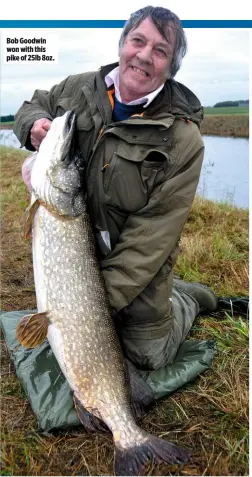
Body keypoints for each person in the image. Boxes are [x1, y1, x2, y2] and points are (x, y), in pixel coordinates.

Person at [14, 6, 233, 383]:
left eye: (161, 50)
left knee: (144, 355)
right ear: (123, 44)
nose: (145, 55)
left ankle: (188, 298)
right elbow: (33, 105)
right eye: (138, 40)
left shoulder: (184, 141)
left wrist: (91, 308)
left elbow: (148, 243)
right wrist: (33, 124)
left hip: (135, 265)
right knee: (77, 333)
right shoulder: (79, 87)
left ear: (170, 67)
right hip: (79, 248)